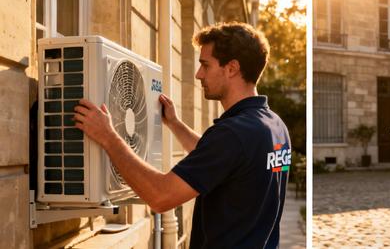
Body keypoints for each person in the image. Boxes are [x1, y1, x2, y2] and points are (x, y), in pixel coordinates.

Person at [73, 22, 290, 248]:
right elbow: (225, 162)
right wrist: (175, 124)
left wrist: (108, 136)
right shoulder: (274, 126)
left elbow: (160, 196)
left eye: (205, 65)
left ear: (232, 68)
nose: (198, 75)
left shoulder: (233, 134)